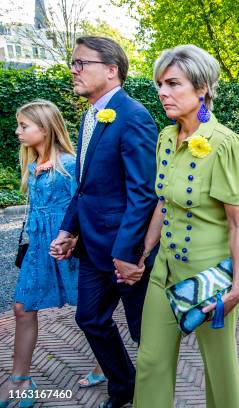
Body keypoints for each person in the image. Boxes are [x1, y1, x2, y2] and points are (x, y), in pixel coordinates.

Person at [133, 45, 239, 408]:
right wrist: (141, 253)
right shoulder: (165, 139)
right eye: (159, 84)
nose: (162, 92)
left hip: (210, 277)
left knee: (219, 370)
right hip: (165, 269)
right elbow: (163, 203)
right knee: (150, 362)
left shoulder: (227, 145)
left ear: (201, 88)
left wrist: (237, 287)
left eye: (173, 83)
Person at [49, 36, 158, 408]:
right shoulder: (90, 116)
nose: (74, 70)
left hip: (127, 253)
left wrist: (129, 253)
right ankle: (123, 385)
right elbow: (85, 187)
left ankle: (154, 395)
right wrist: (69, 229)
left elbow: (144, 192)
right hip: (93, 246)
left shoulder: (135, 117)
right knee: (90, 318)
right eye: (73, 63)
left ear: (111, 71)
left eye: (81, 63)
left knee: (147, 332)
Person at [0, 100, 79, 408]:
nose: (18, 131)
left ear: (45, 129)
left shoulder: (70, 165)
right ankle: (20, 380)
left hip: (66, 246)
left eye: (24, 126)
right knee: (22, 306)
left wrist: (73, 239)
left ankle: (106, 366)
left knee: (88, 309)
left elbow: (80, 207)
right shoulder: (32, 165)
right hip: (37, 247)